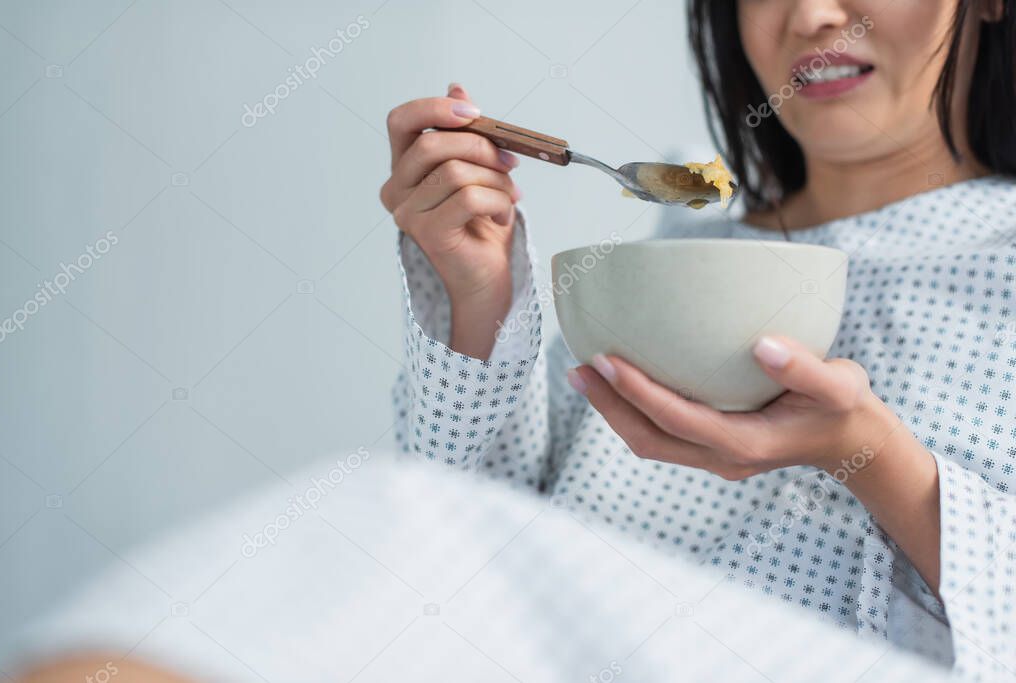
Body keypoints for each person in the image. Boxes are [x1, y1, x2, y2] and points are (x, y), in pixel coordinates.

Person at [380, 0, 1016, 679]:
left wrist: (869, 455)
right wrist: (479, 294)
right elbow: (453, 553)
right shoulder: (673, 252)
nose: (813, 17)